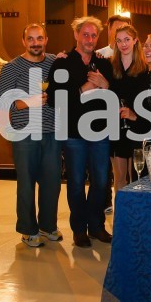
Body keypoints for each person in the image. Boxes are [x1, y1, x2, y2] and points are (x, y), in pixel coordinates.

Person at [47, 16, 115, 248]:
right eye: (85, 34)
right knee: (76, 182)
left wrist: (106, 85)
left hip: (100, 132)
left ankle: (96, 226)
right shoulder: (62, 63)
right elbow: (54, 99)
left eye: (94, 35)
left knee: (101, 182)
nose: (89, 39)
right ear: (76, 35)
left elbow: (115, 97)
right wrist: (83, 88)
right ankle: (79, 229)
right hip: (73, 133)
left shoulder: (104, 63)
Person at [0, 23, 63, 248]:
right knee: (26, 183)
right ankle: (27, 229)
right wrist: (28, 102)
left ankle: (48, 225)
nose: (36, 43)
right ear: (23, 41)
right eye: (31, 39)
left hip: (52, 131)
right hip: (24, 134)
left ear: (46, 39)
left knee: (52, 183)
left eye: (40, 38)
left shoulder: (55, 62)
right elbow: (4, 103)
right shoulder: (11, 68)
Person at [110, 24, 150, 202]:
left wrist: (135, 115)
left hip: (138, 127)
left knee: (136, 178)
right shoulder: (110, 66)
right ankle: (121, 221)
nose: (123, 44)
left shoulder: (145, 69)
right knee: (119, 178)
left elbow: (150, 104)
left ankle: (136, 218)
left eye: (127, 39)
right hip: (117, 128)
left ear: (135, 40)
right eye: (119, 40)